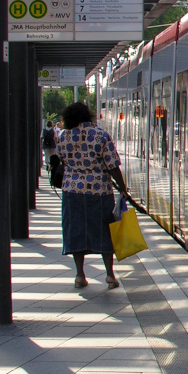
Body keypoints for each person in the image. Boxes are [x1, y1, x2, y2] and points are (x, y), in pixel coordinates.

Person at [56, 101, 131, 289]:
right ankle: (110, 275)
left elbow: (61, 160)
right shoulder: (101, 135)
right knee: (105, 230)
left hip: (72, 191)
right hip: (99, 190)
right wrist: (122, 188)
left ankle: (80, 275)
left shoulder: (64, 137)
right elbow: (112, 165)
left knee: (76, 232)